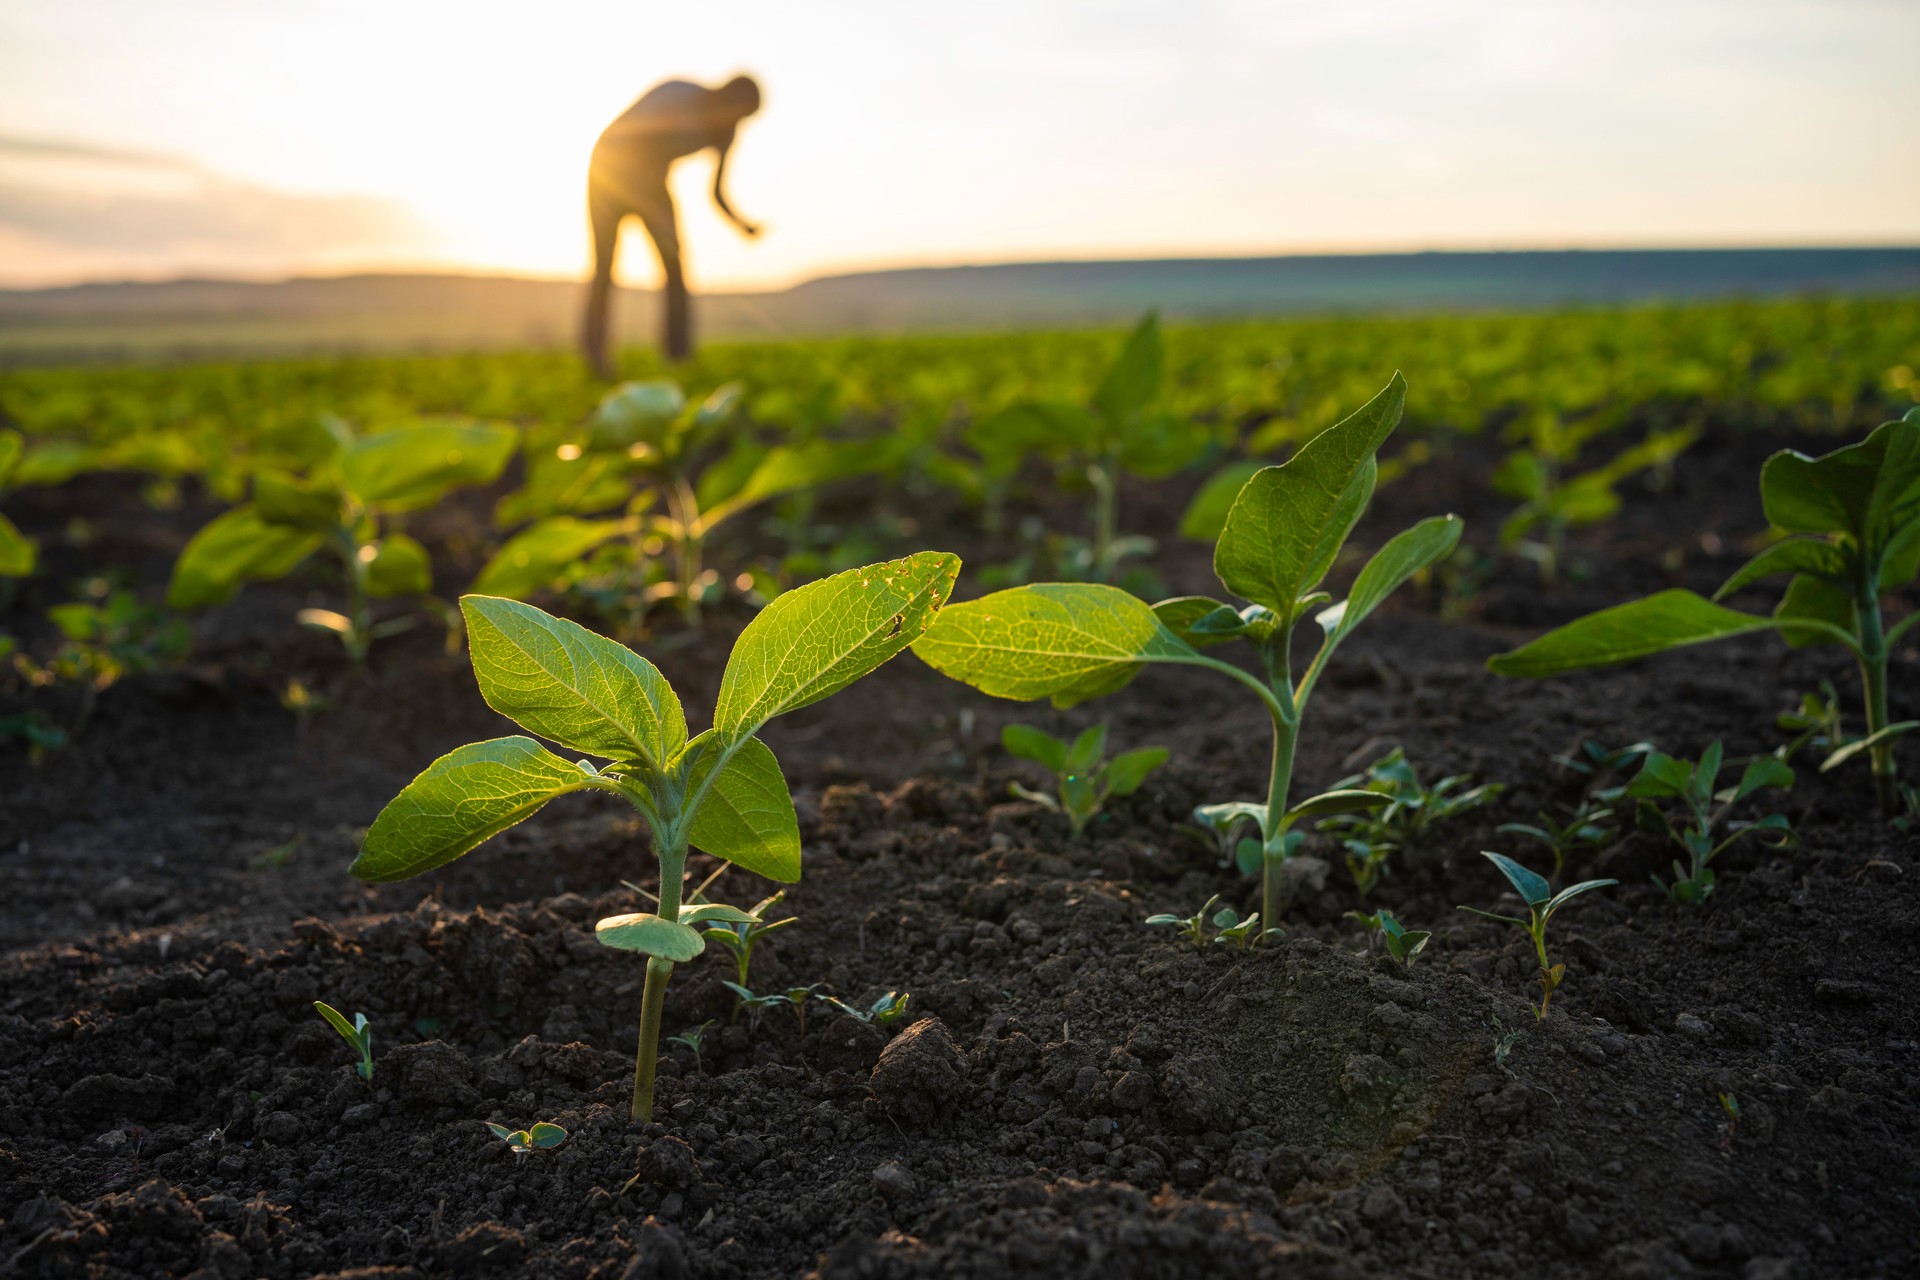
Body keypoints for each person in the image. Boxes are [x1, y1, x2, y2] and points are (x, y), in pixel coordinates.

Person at [582, 75, 762, 374]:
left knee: (675, 264)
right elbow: (639, 144)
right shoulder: (680, 95)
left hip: (652, 178)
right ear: (726, 96)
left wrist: (742, 224)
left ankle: (678, 356)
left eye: (744, 117)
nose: (737, 120)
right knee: (605, 265)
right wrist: (651, 203)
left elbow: (716, 192)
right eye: (737, 111)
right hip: (608, 169)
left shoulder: (725, 132)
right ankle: (596, 355)